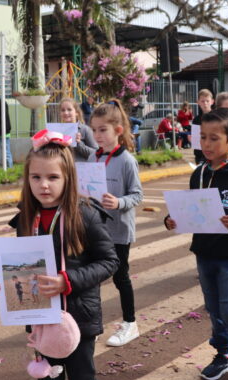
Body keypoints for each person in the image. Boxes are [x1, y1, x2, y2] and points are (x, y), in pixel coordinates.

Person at [0, 131, 130, 380]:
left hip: (78, 317)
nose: (44, 185)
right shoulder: (27, 217)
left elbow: (110, 262)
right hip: (40, 315)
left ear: (68, 177)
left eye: (53, 177)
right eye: (36, 177)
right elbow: (23, 263)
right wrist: (5, 281)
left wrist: (69, 281)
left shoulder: (86, 215)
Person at [164, 108, 228, 380]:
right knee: (214, 308)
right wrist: (172, 219)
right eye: (203, 138)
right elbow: (190, 210)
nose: (207, 145)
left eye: (214, 138)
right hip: (205, 252)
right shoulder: (198, 174)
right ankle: (224, 353)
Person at [88, 100, 143, 347]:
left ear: (118, 131)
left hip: (119, 231)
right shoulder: (92, 156)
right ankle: (93, 324)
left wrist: (119, 202)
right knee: (91, 278)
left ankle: (130, 323)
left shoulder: (127, 161)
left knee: (121, 277)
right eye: (94, 130)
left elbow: (137, 195)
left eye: (103, 130)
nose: (97, 135)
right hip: (95, 229)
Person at [59, 97, 98, 162]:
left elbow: (96, 153)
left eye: (69, 110)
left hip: (81, 170)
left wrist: (79, 144)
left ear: (76, 112)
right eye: (63, 110)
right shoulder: (57, 131)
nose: (65, 113)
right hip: (63, 169)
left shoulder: (85, 129)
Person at [191, 89, 214, 164]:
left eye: (207, 101)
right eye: (202, 101)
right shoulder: (196, 120)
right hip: (200, 155)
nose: (205, 103)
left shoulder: (217, 117)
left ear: (212, 102)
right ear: (198, 102)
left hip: (215, 153)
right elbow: (196, 141)